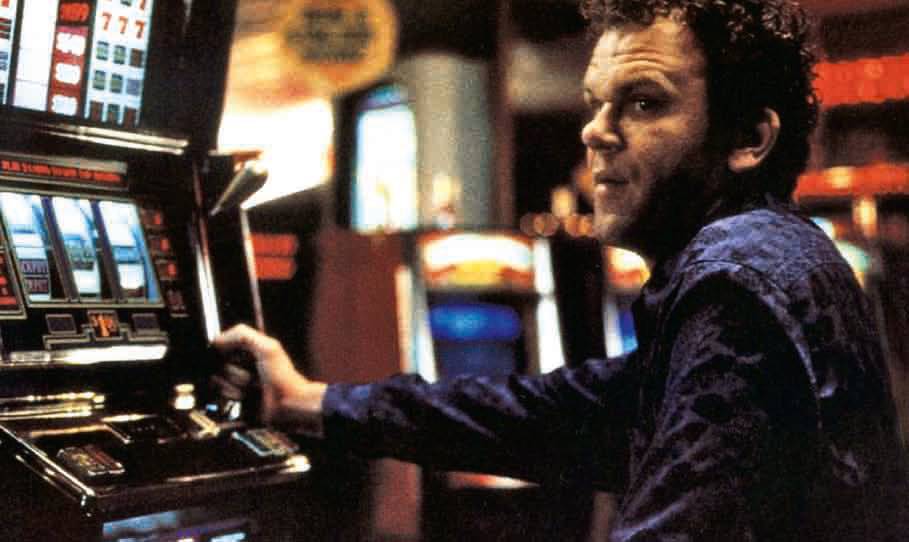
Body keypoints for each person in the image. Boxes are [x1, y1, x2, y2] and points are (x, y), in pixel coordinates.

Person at [214, 0, 909, 539]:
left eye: (643, 102)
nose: (594, 131)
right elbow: (554, 415)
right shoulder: (771, 255)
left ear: (749, 139)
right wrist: (305, 401)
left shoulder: (735, 281)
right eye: (594, 104)